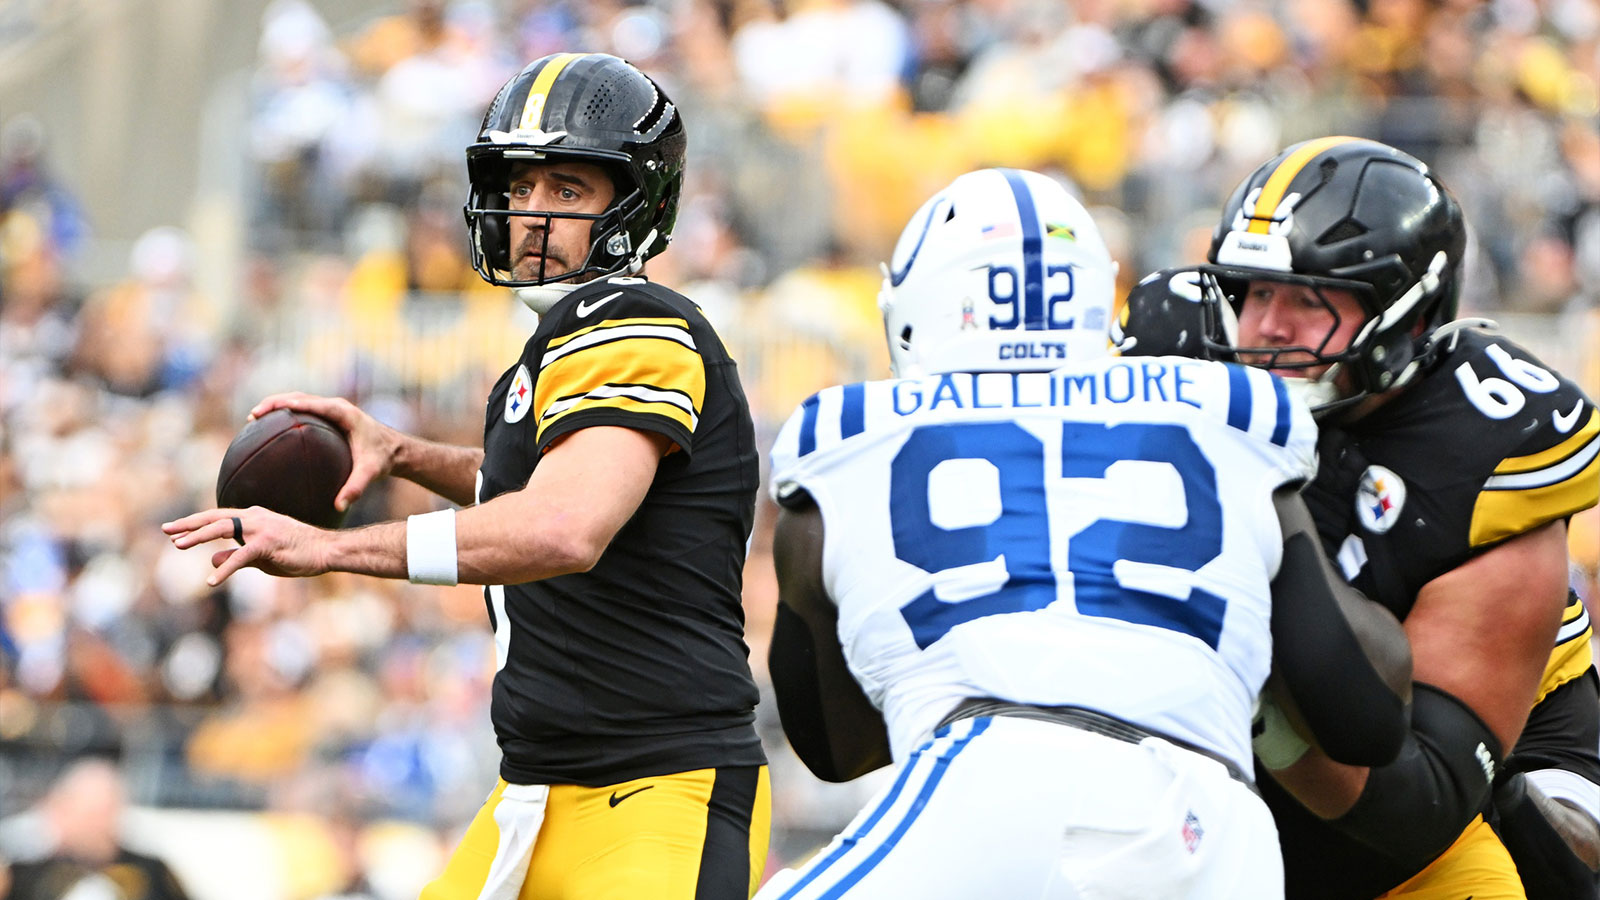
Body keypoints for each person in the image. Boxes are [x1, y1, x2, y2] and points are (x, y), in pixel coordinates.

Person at [163, 53, 770, 899]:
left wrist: (330, 550)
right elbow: (539, 486)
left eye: (567, 191)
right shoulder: (561, 342)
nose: (531, 215)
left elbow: (566, 524)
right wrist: (404, 453)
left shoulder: (640, 327)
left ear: (639, 199)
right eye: (521, 187)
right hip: (534, 791)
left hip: (653, 794)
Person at [754, 167, 1413, 899]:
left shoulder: (843, 441)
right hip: (1218, 830)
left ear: (915, 309)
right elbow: (1365, 713)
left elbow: (833, 748)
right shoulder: (1229, 415)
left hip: (990, 788)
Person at [1121, 136, 1600, 899]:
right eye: (1253, 291)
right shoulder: (1181, 359)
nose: (1266, 327)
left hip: (1476, 767)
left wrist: (1252, 699)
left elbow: (1419, 804)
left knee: (1557, 865)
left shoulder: (1484, 451)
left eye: (1309, 300)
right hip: (1256, 795)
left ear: (1406, 314)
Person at [0, 758, 193, 900]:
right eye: (91, 813)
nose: (99, 824)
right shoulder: (26, 875)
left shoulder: (151, 871)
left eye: (107, 811)